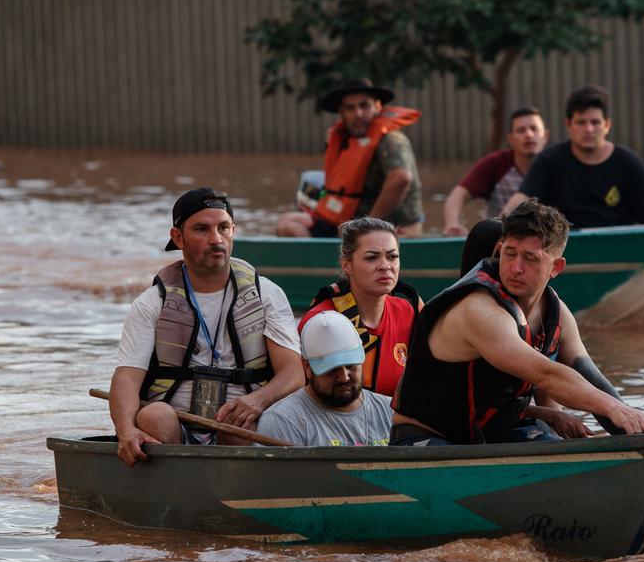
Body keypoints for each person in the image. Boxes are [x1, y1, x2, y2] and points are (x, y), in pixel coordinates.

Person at [391, 199, 644, 445]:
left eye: (530, 259)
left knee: (557, 450)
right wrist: (614, 408)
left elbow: (591, 378)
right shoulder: (478, 310)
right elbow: (546, 374)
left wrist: (637, 436)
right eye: (509, 254)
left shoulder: (557, 312)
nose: (516, 268)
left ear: (556, 267)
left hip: (494, 431)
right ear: (499, 249)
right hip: (427, 439)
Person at [109, 187, 305, 466]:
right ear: (178, 238)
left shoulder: (267, 295)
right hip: (173, 425)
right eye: (202, 229)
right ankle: (174, 482)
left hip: (242, 424)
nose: (216, 239)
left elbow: (294, 373)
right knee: (154, 416)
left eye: (223, 228)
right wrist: (126, 431)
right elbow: (127, 378)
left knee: (239, 423)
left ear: (233, 230)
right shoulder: (151, 302)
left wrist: (258, 401)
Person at [502, 86, 644, 228]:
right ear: (569, 124)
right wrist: (500, 222)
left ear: (607, 125)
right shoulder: (549, 161)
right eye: (581, 122)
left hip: (619, 250)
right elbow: (521, 199)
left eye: (595, 122)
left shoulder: (629, 163)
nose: (589, 129)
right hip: (563, 252)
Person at [276, 78, 425, 238]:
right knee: (286, 224)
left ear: (377, 106)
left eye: (364, 106)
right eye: (350, 108)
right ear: (341, 112)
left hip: (389, 228)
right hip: (350, 224)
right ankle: (327, 261)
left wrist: (367, 226)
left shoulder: (391, 140)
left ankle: (338, 257)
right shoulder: (342, 138)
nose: (358, 113)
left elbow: (401, 178)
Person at [299, 217, 420, 398]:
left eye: (392, 256)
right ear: (347, 265)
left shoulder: (409, 309)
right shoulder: (321, 321)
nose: (385, 266)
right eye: (372, 258)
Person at [257, 311, 394, 447]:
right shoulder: (282, 421)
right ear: (307, 367)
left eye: (350, 365)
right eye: (332, 369)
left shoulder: (391, 411)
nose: (344, 377)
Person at [442, 107, 549, 236]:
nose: (529, 135)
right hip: (500, 239)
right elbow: (458, 195)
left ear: (545, 136)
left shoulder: (557, 163)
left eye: (534, 129)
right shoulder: (495, 164)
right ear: (510, 140)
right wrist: (452, 224)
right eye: (521, 130)